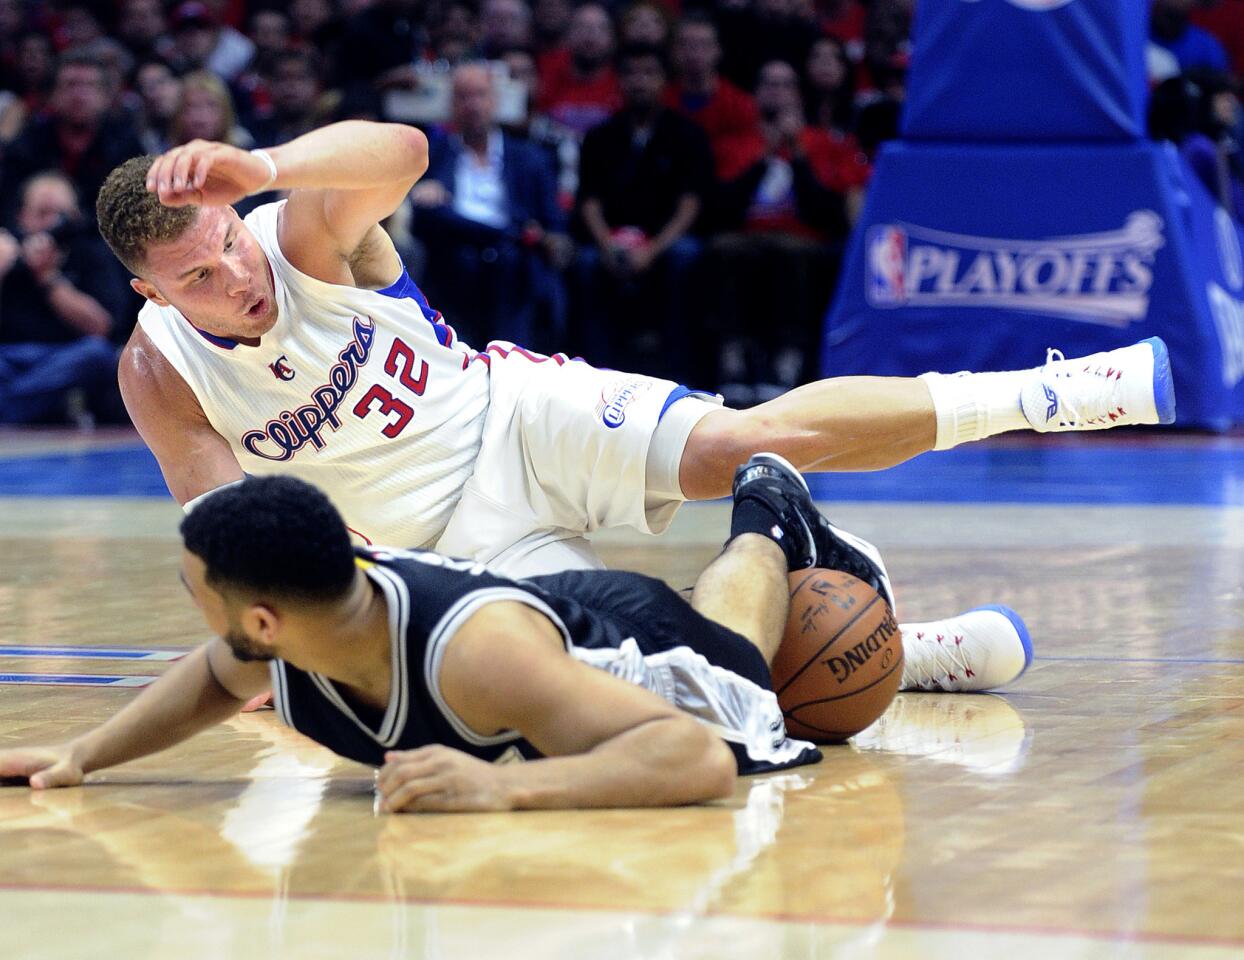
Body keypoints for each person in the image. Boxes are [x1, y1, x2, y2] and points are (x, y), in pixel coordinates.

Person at [93, 118, 1174, 697]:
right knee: (653, 677)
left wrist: (265, 166)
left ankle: (1046, 391)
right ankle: (886, 655)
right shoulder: (158, 370)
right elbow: (226, 529)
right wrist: (273, 646)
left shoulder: (298, 234)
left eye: (227, 238)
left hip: (511, 413)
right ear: (151, 293)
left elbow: (408, 153)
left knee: (747, 441)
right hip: (438, 547)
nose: (233, 275)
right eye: (196, 276)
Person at [0, 464, 855, 808]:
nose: (190, 605)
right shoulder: (299, 625)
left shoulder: (476, 658)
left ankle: (770, 516)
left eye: (193, 589)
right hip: (545, 614)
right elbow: (216, 676)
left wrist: (503, 793)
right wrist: (84, 754)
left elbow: (694, 759)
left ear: (264, 618)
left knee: (740, 652)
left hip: (645, 654)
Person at [573, 44, 713, 378]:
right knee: (586, 263)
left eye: (649, 74)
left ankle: (680, 373)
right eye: (631, 74)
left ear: (665, 81)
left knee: (685, 257)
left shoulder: (687, 134)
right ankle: (594, 376)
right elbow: (589, 201)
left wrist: (652, 249)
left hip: (664, 242)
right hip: (613, 241)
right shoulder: (600, 136)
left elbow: (690, 204)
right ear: (619, 81)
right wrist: (607, 244)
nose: (639, 82)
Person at [411, 63, 569, 349]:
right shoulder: (433, 156)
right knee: (446, 231)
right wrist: (422, 191)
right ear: (451, 105)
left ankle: (510, 361)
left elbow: (554, 223)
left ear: (494, 102)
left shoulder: (529, 157)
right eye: (463, 97)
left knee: (512, 260)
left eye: (480, 95)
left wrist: (546, 238)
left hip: (512, 263)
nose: (472, 105)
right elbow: (419, 221)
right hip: (456, 259)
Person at [0, 173, 123, 425]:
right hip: (10, 357)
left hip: (63, 357)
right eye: (42, 213)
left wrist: (48, 278)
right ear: (22, 217)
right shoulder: (7, 249)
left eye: (61, 215)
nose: (52, 223)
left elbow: (100, 328)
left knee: (98, 354)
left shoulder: (90, 254)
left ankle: (8, 407)